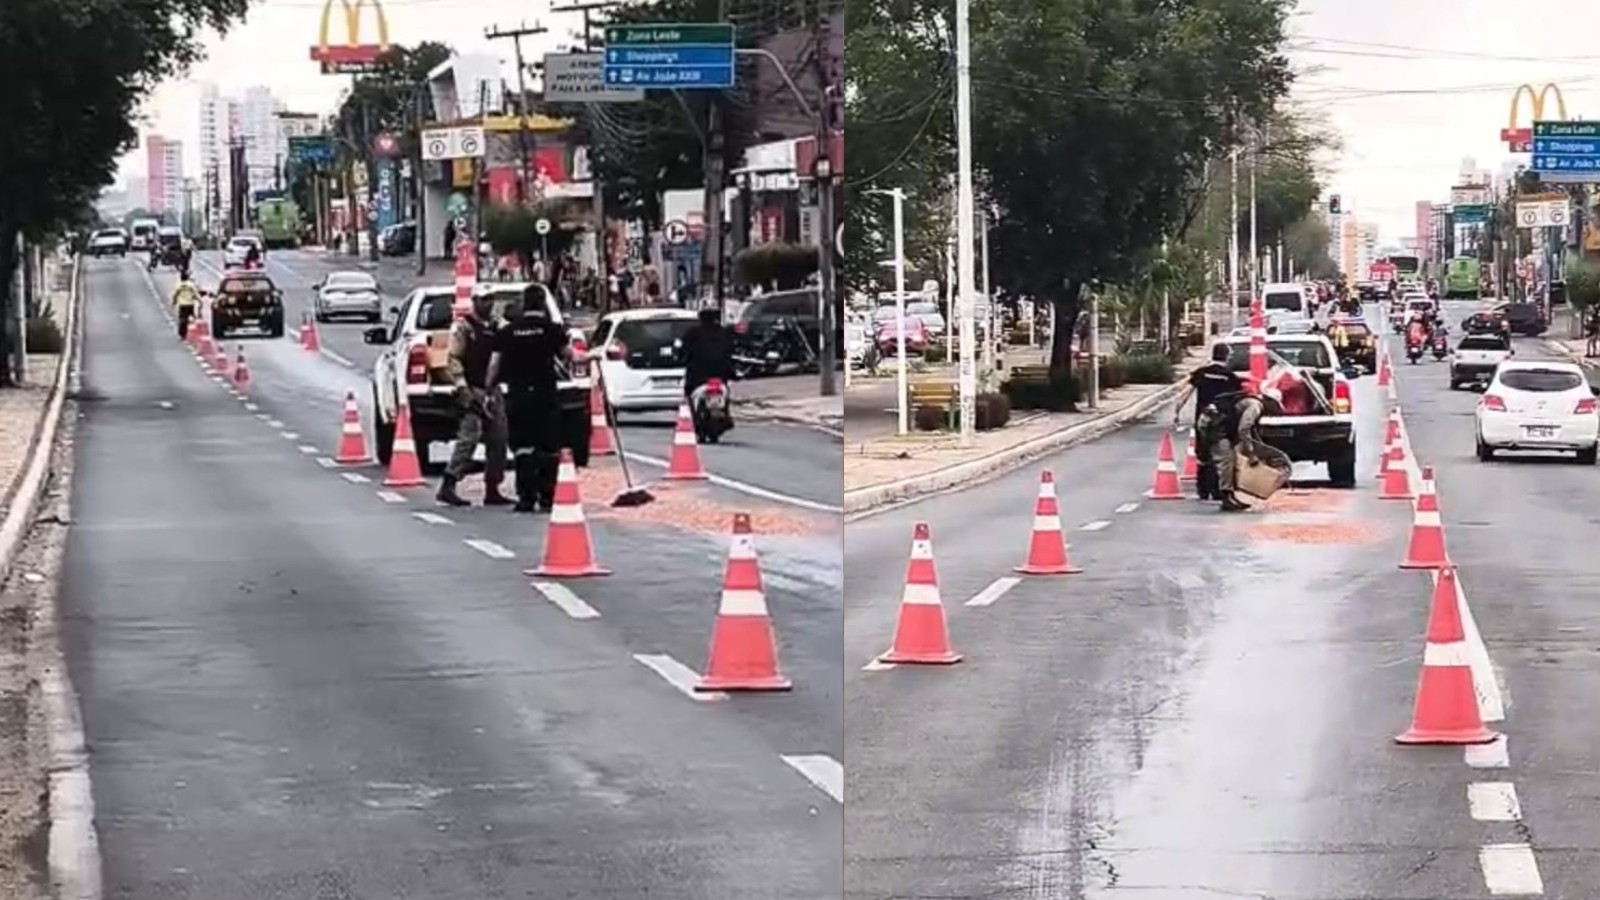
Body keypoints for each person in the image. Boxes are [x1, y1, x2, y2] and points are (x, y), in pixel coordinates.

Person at [486, 284, 572, 513]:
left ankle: (525, 497)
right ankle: (547, 496)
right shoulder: (552, 330)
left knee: (523, 447)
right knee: (548, 447)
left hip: (519, 396)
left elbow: (495, 365)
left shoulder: (508, 332)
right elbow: (569, 356)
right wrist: (593, 356)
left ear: (523, 304)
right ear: (543, 304)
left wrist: (488, 388)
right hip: (546, 395)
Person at [439, 293, 510, 508]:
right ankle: (449, 484)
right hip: (473, 388)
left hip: (493, 390)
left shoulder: (498, 326)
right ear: (474, 302)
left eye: (491, 300)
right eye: (483, 300)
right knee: (469, 437)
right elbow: (453, 358)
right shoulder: (464, 328)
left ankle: (492, 487)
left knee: (499, 438)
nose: (488, 304)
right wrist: (462, 387)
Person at [1199, 381, 1290, 512]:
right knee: (1226, 461)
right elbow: (1244, 429)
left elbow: (1248, 432)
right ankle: (1226, 498)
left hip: (1218, 426)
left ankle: (1230, 496)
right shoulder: (1256, 406)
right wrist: (1251, 454)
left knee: (1232, 461)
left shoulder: (1252, 402)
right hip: (1215, 427)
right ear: (1269, 401)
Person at [1171, 342, 1244, 500]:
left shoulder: (1202, 373)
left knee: (1203, 455)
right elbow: (1238, 400)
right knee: (1221, 456)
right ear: (1226, 356)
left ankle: (1203, 490)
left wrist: (1177, 411)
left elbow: (1186, 392)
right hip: (1221, 422)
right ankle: (1217, 490)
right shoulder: (1230, 377)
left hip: (1202, 420)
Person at [681, 307, 736, 440]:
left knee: (688, 393)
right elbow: (730, 353)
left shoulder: (692, 334)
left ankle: (701, 421)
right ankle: (723, 413)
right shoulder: (724, 333)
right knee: (725, 391)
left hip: (698, 378)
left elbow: (684, 353)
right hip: (720, 377)